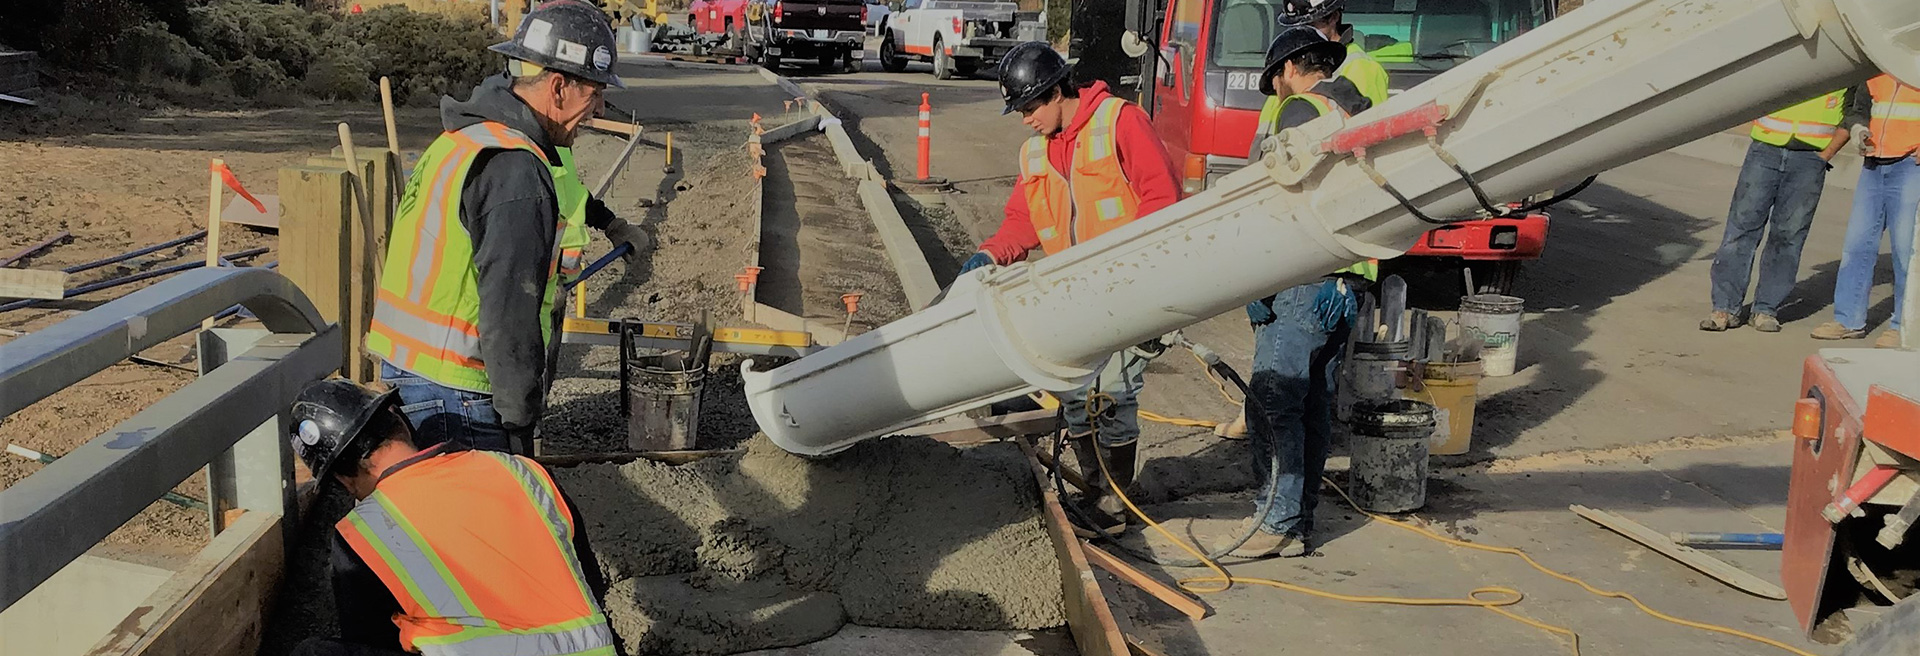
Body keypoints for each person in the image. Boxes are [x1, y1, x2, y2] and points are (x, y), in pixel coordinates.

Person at [366, 0, 652, 455]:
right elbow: (508, 312)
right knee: (483, 523)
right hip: (459, 388)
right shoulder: (514, 169)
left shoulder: (465, 138)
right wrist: (519, 418)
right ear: (558, 88)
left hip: (414, 373)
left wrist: (610, 223)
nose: (598, 109)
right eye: (594, 93)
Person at [955, 41, 1182, 536]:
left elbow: (1161, 198)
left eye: (1031, 106)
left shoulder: (1120, 121)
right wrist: (991, 254)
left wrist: (1142, 277)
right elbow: (1023, 220)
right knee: (1077, 396)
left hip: (1127, 288)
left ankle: (1115, 506)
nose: (1026, 119)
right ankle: (1096, 489)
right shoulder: (1036, 150)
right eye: (1019, 110)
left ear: (1059, 91)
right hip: (1073, 296)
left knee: (1115, 395)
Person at [286, 379, 619, 656]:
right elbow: (589, 580)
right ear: (400, 421)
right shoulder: (522, 471)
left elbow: (371, 640)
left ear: (343, 480)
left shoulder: (362, 533)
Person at [1229, 26, 1373, 559]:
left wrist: (1256, 276)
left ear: (1290, 69)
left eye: (1276, 81)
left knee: (1273, 404)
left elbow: (1280, 199)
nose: (1277, 93)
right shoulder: (1355, 109)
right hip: (1345, 280)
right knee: (1312, 406)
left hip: (1303, 277)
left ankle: (1277, 521)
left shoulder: (1301, 112)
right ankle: (1299, 523)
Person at [1700, 89, 1854, 332]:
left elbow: (1854, 113)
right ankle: (1725, 308)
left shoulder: (1840, 68)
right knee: (1740, 231)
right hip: (1765, 148)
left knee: (1789, 236)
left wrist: (1826, 154)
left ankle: (1765, 309)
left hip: (1809, 159)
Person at [1814, 74, 1918, 347]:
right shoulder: (1877, 67)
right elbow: (1858, 109)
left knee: (1906, 252)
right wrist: (1859, 129)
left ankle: (1903, 327)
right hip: (1874, 165)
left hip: (1911, 166)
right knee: (1857, 246)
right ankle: (1848, 320)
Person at [1247, 0, 1388, 159]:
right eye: (1295, 27)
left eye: (1310, 24)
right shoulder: (1287, 72)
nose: (1302, 33)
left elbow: (1372, 142)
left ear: (1334, 17)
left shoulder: (1361, 67)